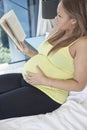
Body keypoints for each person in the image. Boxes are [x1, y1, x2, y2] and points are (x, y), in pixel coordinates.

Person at [0, 0, 87, 120]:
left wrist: (44, 80)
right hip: (28, 79)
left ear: (74, 20)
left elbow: (79, 85)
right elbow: (44, 57)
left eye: (60, 16)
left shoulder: (82, 44)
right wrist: (28, 51)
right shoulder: (58, 30)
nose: (56, 18)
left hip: (47, 93)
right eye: (57, 14)